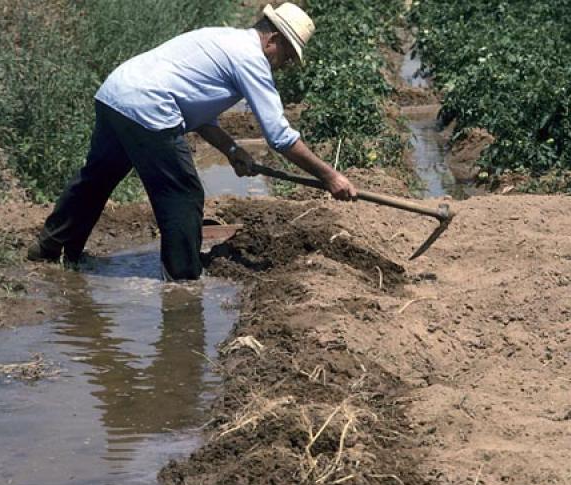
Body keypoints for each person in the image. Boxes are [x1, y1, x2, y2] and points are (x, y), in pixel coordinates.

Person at [27, 2, 357, 280]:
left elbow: (199, 115)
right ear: (273, 39)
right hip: (148, 106)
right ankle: (183, 281)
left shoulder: (221, 38)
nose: (284, 65)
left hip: (116, 94)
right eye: (287, 56)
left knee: (96, 179)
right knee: (183, 193)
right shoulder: (252, 59)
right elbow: (280, 137)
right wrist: (330, 177)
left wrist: (231, 150)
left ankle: (49, 248)